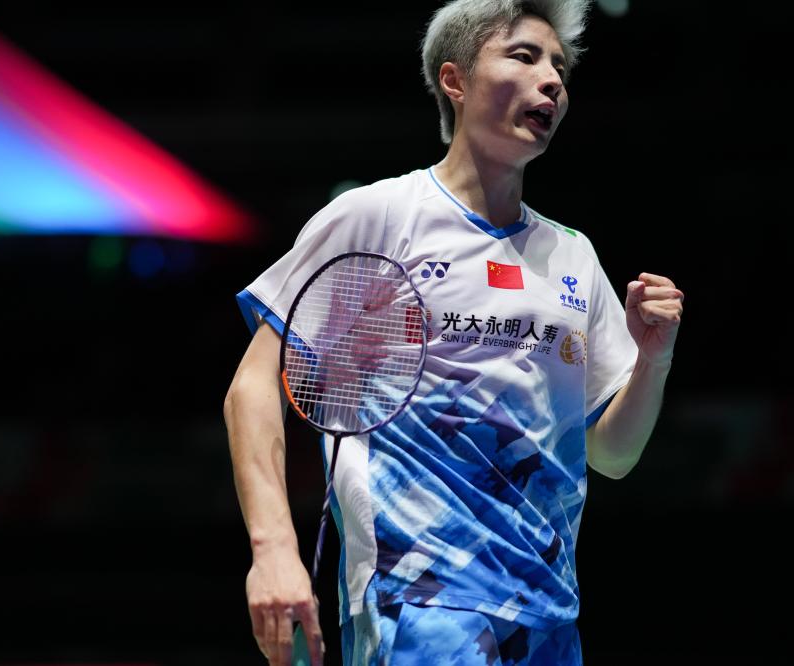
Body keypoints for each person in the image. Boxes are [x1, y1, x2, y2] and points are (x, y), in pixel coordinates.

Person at [223, 0, 684, 664]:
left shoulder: (572, 255)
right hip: (417, 600)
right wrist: (272, 551)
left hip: (549, 614)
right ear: (454, 80)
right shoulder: (379, 215)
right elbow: (251, 387)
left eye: (559, 68)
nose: (551, 81)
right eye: (524, 56)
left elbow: (612, 453)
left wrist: (653, 362)